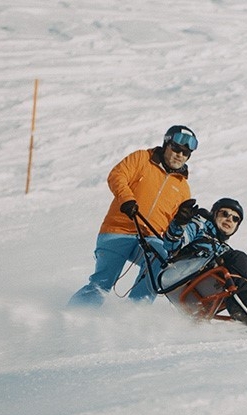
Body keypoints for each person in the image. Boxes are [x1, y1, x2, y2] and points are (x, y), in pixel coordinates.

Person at [68, 125, 198, 306]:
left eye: (185, 153)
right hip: (118, 230)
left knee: (158, 266)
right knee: (103, 282)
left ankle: (134, 313)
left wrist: (181, 221)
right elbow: (117, 175)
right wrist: (127, 199)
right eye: (176, 148)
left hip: (150, 238)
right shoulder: (142, 159)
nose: (180, 155)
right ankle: (75, 315)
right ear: (166, 144)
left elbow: (172, 230)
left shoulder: (183, 188)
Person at [163, 197, 247, 325]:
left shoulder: (223, 246)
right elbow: (172, 246)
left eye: (235, 219)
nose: (229, 219)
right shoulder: (199, 225)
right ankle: (242, 306)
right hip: (185, 277)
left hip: (205, 285)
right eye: (225, 214)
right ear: (214, 214)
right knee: (237, 257)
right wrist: (180, 223)